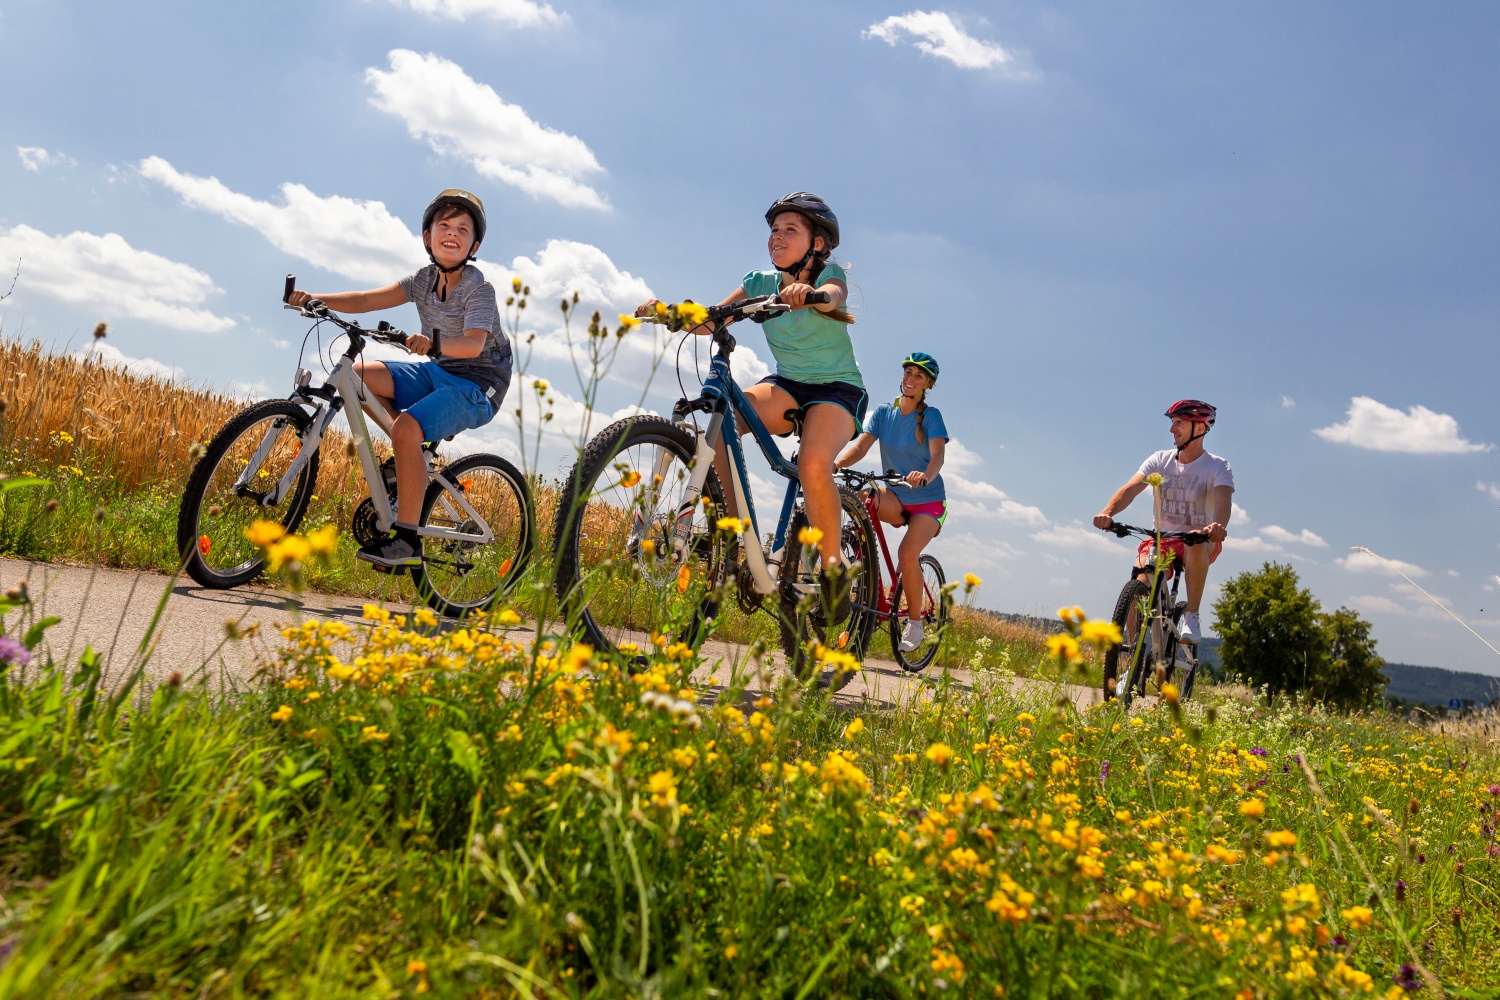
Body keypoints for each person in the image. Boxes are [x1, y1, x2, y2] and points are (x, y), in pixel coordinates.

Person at [636, 192, 866, 596]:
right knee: (721, 427)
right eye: (774, 230)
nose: (777, 236)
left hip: (838, 390)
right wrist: (671, 312)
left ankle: (832, 572)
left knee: (813, 463)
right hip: (789, 383)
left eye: (789, 230)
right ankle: (732, 529)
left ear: (816, 243)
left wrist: (812, 296)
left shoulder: (829, 274)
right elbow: (711, 320)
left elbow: (833, 297)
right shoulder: (759, 283)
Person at [286, 189, 511, 570]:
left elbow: (473, 344)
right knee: (357, 377)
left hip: (478, 384)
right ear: (427, 237)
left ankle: (407, 540)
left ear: (474, 245)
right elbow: (364, 300)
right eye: (444, 225)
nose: (451, 233)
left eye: (462, 229)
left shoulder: (479, 289)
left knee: (406, 427)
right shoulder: (422, 280)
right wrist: (313, 299)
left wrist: (434, 341)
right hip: (439, 369)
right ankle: (413, 457)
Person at [1092, 399, 1232, 644]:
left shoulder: (1217, 467)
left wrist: (1217, 525)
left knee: (1195, 540)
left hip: (1199, 540)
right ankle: (1132, 653)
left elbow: (1223, 502)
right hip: (1161, 539)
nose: (1172, 429)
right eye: (1172, 423)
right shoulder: (1160, 460)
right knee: (1138, 586)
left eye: (1179, 423)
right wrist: (1108, 512)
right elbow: (1130, 488)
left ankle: (1192, 615)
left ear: (1199, 428)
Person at [834, 352, 948, 652]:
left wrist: (924, 475)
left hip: (928, 500)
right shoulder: (885, 412)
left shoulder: (932, 416)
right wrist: (836, 464)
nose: (910, 379)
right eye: (908, 372)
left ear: (927, 385)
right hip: (896, 494)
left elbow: (937, 456)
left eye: (918, 376)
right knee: (862, 498)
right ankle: (857, 567)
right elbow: (860, 447)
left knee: (907, 552)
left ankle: (915, 623)